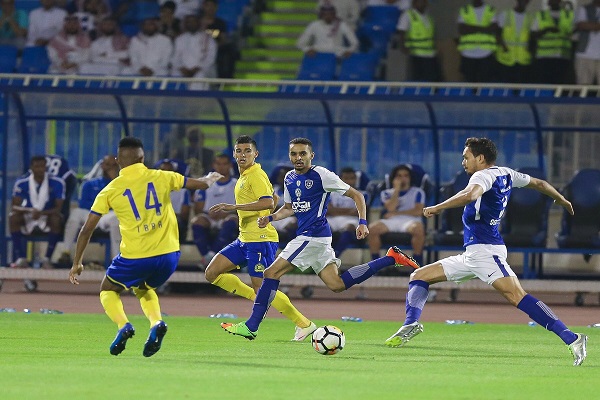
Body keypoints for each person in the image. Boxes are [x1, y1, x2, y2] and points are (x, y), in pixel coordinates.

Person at [384, 137, 588, 367]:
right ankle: (410, 324)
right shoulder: (508, 173)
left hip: (486, 252)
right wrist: (560, 198)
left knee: (517, 297)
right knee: (419, 276)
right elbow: (540, 184)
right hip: (473, 253)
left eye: (466, 157)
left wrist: (438, 207)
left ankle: (573, 338)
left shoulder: (482, 175)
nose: (463, 161)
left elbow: (470, 195)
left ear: (480, 158)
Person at [221, 137, 419, 340]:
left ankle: (251, 326)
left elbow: (357, 195)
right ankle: (391, 258)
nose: (298, 158)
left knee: (271, 273)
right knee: (337, 284)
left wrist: (362, 222)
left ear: (311, 155)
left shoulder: (322, 175)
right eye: (294, 154)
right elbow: (289, 209)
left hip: (312, 236)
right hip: (317, 238)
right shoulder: (289, 177)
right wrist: (271, 217)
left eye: (302, 154)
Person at [68, 137, 223, 357]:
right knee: (143, 288)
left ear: (118, 160)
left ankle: (123, 326)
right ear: (142, 158)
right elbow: (201, 183)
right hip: (169, 256)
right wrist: (210, 177)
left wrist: (77, 263)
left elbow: (86, 230)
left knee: (108, 289)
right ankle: (156, 323)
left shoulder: (110, 190)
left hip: (136, 257)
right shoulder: (162, 176)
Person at [205, 135, 317, 341]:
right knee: (212, 273)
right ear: (234, 154)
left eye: (247, 151)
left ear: (255, 154)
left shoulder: (255, 174)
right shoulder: (246, 175)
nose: (242, 155)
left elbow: (266, 202)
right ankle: (257, 299)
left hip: (260, 239)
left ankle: (304, 324)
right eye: (239, 151)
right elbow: (273, 199)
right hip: (244, 238)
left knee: (265, 288)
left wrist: (233, 207)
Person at [59, 155, 121, 265]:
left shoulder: (121, 184)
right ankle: (66, 252)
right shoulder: (89, 184)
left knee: (115, 218)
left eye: (113, 165)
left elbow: (121, 204)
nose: (110, 168)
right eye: (107, 164)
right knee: (76, 213)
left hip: (107, 216)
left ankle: (116, 259)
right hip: (90, 214)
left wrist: (114, 181)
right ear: (102, 166)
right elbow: (83, 204)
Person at [9, 155, 65, 269]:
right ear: (31, 168)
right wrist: (30, 211)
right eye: (37, 167)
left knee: (57, 218)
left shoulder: (57, 182)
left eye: (42, 166)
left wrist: (41, 213)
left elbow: (58, 208)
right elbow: (14, 206)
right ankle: (21, 258)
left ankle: (47, 259)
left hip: (47, 215)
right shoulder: (21, 183)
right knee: (13, 217)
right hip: (28, 215)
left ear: (46, 167)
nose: (40, 169)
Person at [366, 164, 425, 266]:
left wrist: (396, 213)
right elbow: (391, 208)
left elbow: (419, 211)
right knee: (372, 229)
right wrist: (396, 190)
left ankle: (416, 264)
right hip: (391, 221)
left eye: (406, 176)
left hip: (411, 221)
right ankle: (377, 265)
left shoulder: (418, 192)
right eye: (399, 176)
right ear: (394, 178)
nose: (403, 178)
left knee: (418, 229)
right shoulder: (386, 193)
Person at [191, 153, 237, 268]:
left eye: (224, 164)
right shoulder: (205, 184)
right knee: (197, 221)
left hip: (228, 216)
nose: (221, 167)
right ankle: (207, 255)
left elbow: (243, 207)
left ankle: (210, 256)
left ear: (230, 165)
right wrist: (211, 214)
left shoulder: (237, 184)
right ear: (214, 165)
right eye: (218, 164)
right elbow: (198, 209)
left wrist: (226, 212)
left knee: (231, 220)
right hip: (210, 217)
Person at [530, 0, 574, 85]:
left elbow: (574, 32)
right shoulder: (541, 15)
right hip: (545, 56)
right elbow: (533, 34)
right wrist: (547, 30)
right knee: (545, 83)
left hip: (562, 56)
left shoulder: (569, 15)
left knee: (559, 83)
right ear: (548, 2)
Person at [396, 0, 440, 82]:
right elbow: (402, 32)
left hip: (430, 54)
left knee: (433, 79)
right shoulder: (408, 15)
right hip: (416, 54)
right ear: (414, 3)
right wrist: (403, 46)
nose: (422, 3)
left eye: (424, 1)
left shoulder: (429, 17)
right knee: (418, 80)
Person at [456, 0, 500, 83]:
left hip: (486, 53)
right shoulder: (465, 10)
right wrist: (484, 28)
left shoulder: (490, 9)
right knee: (469, 83)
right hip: (468, 53)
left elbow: (493, 28)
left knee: (485, 82)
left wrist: (471, 28)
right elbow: (462, 29)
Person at [327, 167, 366, 257]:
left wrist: (336, 210)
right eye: (346, 178)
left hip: (351, 220)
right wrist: (349, 210)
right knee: (321, 227)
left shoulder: (362, 194)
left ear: (355, 180)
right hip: (332, 219)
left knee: (350, 227)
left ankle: (335, 256)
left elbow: (358, 212)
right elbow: (328, 210)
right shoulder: (330, 193)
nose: (349, 181)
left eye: (352, 178)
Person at [171, 14, 217, 90]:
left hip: (201, 69)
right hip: (182, 70)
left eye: (194, 22)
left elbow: (211, 57)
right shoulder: (180, 39)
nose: (191, 24)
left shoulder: (208, 39)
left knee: (200, 77)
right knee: (175, 75)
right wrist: (182, 68)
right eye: (189, 22)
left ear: (198, 23)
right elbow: (175, 57)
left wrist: (197, 69)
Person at [495, 0, 533, 84]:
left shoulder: (530, 17)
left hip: (523, 59)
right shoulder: (505, 15)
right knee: (505, 87)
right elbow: (497, 33)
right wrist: (504, 46)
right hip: (505, 58)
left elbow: (532, 36)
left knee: (521, 88)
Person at [157, 159, 191, 241]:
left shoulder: (183, 192)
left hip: (176, 223)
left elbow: (184, 215)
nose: (166, 174)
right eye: (163, 171)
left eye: (169, 171)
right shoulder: (152, 191)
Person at [574, 0, 600, 85]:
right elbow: (581, 25)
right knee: (583, 87)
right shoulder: (584, 9)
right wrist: (595, 26)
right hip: (585, 54)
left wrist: (592, 25)